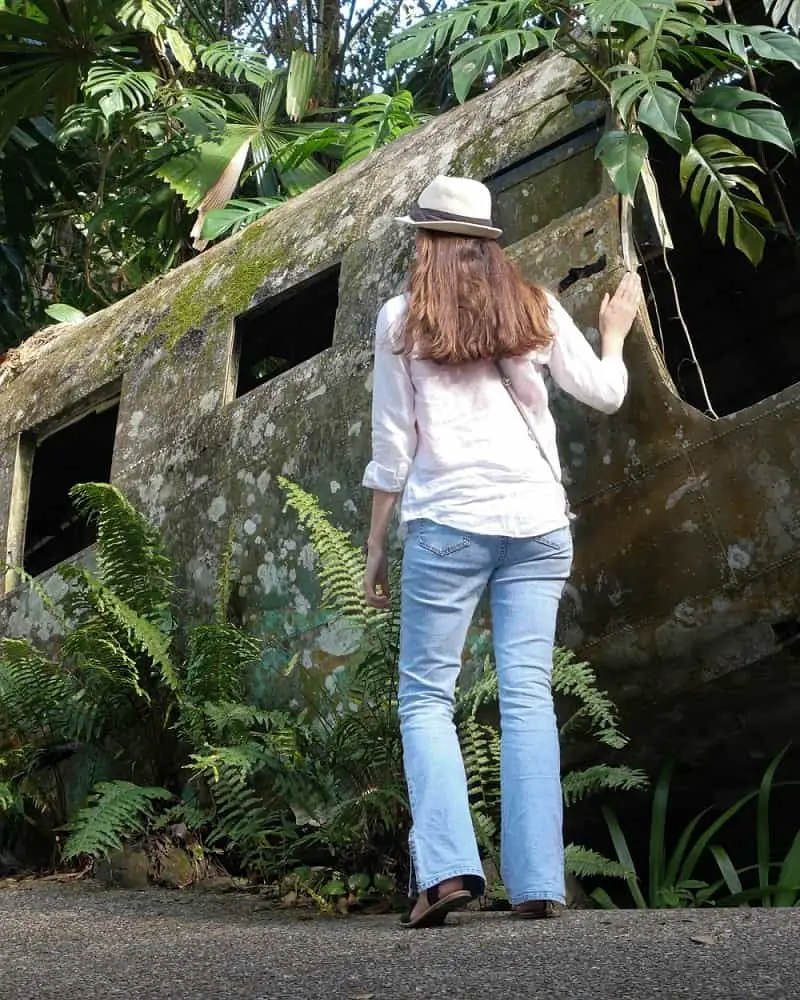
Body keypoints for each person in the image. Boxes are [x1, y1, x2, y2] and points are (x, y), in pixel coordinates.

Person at [362, 175, 642, 929]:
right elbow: (607, 393)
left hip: (447, 526)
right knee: (526, 697)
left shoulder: (400, 319)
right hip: (537, 525)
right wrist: (615, 331)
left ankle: (448, 872)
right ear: (488, 244)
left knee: (426, 696)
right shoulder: (534, 305)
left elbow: (394, 449)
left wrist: (376, 547)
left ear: (425, 241)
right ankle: (538, 881)